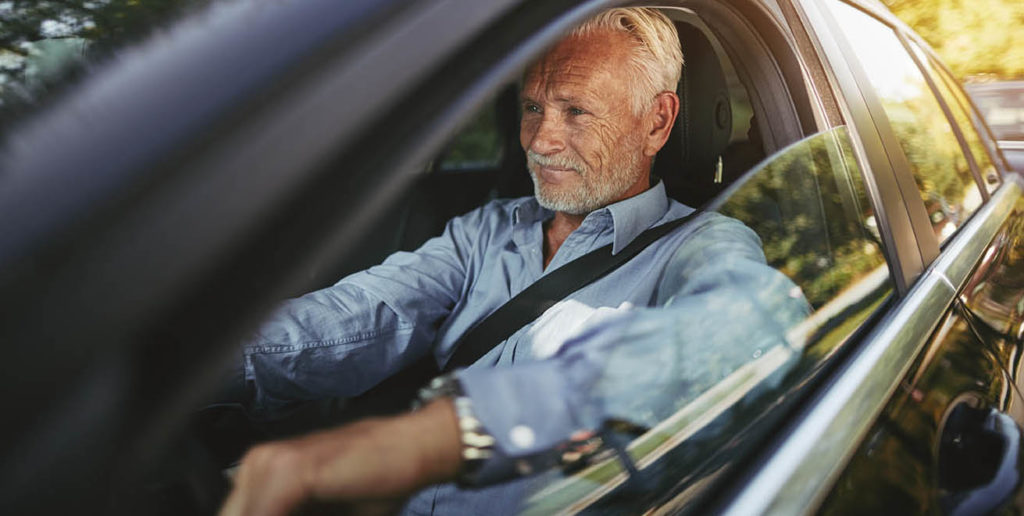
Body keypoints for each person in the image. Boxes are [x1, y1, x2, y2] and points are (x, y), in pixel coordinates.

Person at [219, 8, 807, 516]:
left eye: (576, 111)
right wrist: (204, 362)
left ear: (656, 122)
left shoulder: (703, 243)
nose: (539, 139)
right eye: (532, 107)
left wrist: (443, 438)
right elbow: (368, 311)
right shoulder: (490, 228)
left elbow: (753, 326)